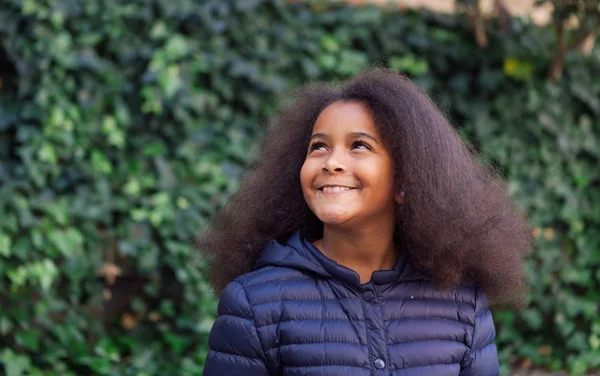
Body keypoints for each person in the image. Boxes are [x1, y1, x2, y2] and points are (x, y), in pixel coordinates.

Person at [198, 69, 531, 376]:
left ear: (406, 179)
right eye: (319, 147)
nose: (332, 162)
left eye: (359, 145)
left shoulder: (462, 303)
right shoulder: (255, 304)